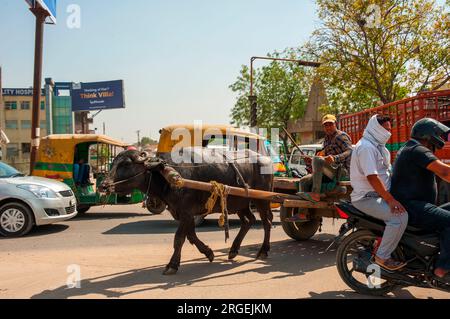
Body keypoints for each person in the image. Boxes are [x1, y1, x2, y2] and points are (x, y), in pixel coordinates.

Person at [390, 118, 450, 278]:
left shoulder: (412, 148)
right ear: (428, 134)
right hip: (414, 206)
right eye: (438, 134)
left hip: (415, 203)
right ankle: (443, 267)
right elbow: (445, 172)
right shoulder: (418, 150)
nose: (441, 138)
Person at [350, 114, 408, 271]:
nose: (388, 133)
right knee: (400, 217)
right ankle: (382, 256)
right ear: (375, 127)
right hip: (366, 197)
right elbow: (372, 178)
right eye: (385, 129)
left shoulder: (378, 147)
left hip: (379, 193)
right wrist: (390, 200)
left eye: (390, 129)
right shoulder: (366, 147)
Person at [286, 114, 353, 222]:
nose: (328, 127)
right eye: (326, 125)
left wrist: (335, 158)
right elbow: (321, 157)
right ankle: (302, 214)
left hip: (341, 171)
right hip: (329, 171)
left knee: (317, 159)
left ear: (335, 124)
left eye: (330, 124)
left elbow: (350, 151)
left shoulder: (342, 136)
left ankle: (315, 194)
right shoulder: (326, 140)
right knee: (303, 181)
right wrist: (310, 160)